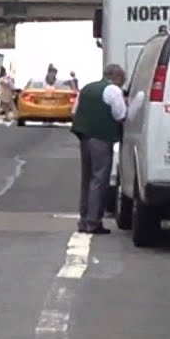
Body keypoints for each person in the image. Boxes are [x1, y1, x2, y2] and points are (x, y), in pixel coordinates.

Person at [70, 63, 128, 235]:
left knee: (87, 178)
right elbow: (120, 114)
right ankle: (93, 221)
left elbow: (75, 111)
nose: (122, 84)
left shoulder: (87, 88)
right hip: (102, 137)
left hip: (84, 136)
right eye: (122, 81)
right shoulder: (113, 91)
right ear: (117, 77)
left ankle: (84, 219)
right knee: (99, 178)